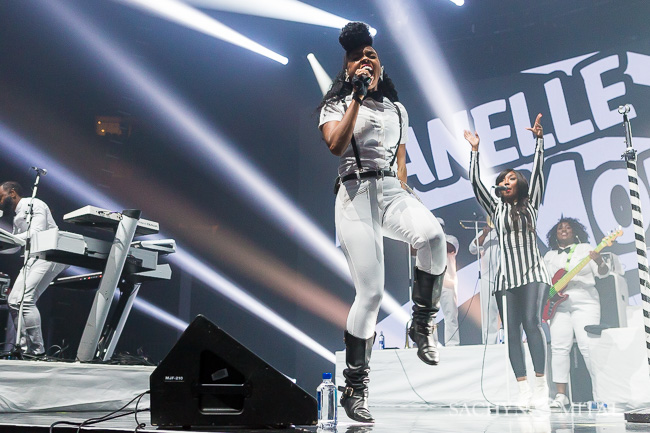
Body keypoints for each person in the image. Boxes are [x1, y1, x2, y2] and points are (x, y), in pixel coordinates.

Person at [318, 22, 447, 422]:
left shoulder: (397, 109)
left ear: (380, 66)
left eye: (371, 56)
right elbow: (336, 145)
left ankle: (421, 323)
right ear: (348, 69)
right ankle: (354, 389)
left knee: (432, 235)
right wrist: (354, 95)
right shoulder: (336, 104)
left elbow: (401, 160)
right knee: (370, 294)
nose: (366, 60)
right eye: (358, 58)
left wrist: (407, 193)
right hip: (355, 194)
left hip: (390, 190)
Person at [464, 113, 552, 408]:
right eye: (502, 179)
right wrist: (475, 151)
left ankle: (542, 386)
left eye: (511, 178)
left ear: (520, 184)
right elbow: (476, 184)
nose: (505, 182)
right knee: (511, 331)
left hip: (532, 272)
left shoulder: (532, 202)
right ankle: (524, 390)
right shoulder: (496, 207)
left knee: (530, 322)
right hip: (506, 277)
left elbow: (539, 171)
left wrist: (539, 141)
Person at [543, 217, 608, 408]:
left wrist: (599, 260)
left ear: (575, 231)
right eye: (560, 228)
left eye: (568, 227)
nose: (564, 230)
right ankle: (561, 396)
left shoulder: (586, 249)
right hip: (558, 305)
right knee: (559, 348)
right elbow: (546, 282)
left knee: (588, 347)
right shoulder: (549, 256)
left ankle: (600, 394)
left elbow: (602, 273)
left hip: (585, 301)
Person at [0, 181, 67, 356]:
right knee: (14, 301)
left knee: (26, 299)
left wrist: (7, 237)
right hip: (34, 257)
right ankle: (23, 350)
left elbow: (36, 233)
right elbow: (16, 246)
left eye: (1, 197)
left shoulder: (35, 204)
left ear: (12, 193)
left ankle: (37, 352)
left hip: (51, 253)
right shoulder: (16, 217)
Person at [469, 222, 501, 344]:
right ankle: (489, 346)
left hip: (506, 278)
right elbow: (472, 249)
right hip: (487, 278)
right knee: (489, 315)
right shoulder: (486, 232)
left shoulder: (509, 232)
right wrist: (484, 234)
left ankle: (509, 345)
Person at [438, 218, 460, 346]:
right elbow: (413, 251)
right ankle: (431, 344)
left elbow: (451, 249)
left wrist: (434, 241)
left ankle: (453, 344)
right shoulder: (427, 240)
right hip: (431, 282)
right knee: (430, 318)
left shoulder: (451, 239)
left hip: (448, 282)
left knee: (450, 316)